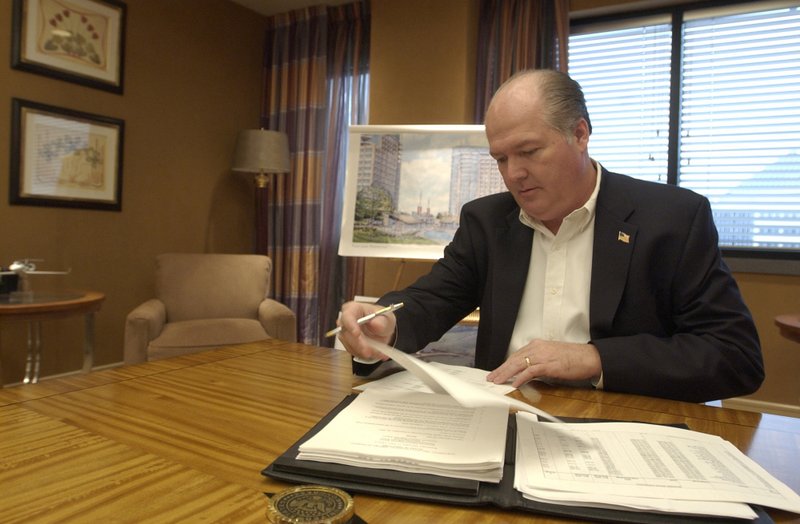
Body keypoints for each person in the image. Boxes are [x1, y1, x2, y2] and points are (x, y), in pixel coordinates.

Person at [336, 69, 764, 403]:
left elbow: (734, 356)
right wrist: (388, 323)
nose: (512, 174)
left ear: (580, 134)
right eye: (501, 158)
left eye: (528, 151)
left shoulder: (672, 218)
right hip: (502, 416)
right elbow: (434, 299)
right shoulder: (486, 221)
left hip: (622, 420)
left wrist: (594, 358)